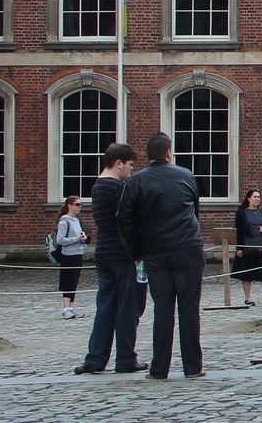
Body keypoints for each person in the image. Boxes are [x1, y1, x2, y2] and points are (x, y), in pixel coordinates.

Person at [118, 132, 207, 379]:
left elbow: (125, 219)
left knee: (163, 310)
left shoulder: (136, 181)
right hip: (188, 248)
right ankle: (193, 366)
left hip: (155, 251)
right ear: (169, 152)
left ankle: (159, 369)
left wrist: (136, 251)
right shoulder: (186, 175)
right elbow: (195, 212)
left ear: (148, 155)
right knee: (189, 309)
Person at [77, 143, 144, 375]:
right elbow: (128, 222)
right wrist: (137, 253)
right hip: (123, 253)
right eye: (130, 166)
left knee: (105, 306)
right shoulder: (119, 188)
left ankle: (96, 358)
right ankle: (126, 358)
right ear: (119, 163)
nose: (130, 171)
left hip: (104, 251)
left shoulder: (97, 188)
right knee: (128, 308)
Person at [233, 186, 262, 305]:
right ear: (249, 198)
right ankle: (248, 298)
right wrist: (239, 248)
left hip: (261, 246)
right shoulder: (242, 213)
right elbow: (239, 231)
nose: (257, 199)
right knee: (247, 274)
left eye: (259, 197)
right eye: (255, 197)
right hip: (248, 246)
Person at [54, 196, 88, 318]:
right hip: (68, 255)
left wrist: (83, 239)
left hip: (78, 253)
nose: (80, 207)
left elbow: (80, 236)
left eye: (80, 205)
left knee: (74, 281)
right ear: (69, 205)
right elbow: (60, 240)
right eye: (77, 204)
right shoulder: (64, 221)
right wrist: (76, 239)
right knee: (68, 281)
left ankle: (71, 307)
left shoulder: (77, 221)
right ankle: (66, 308)